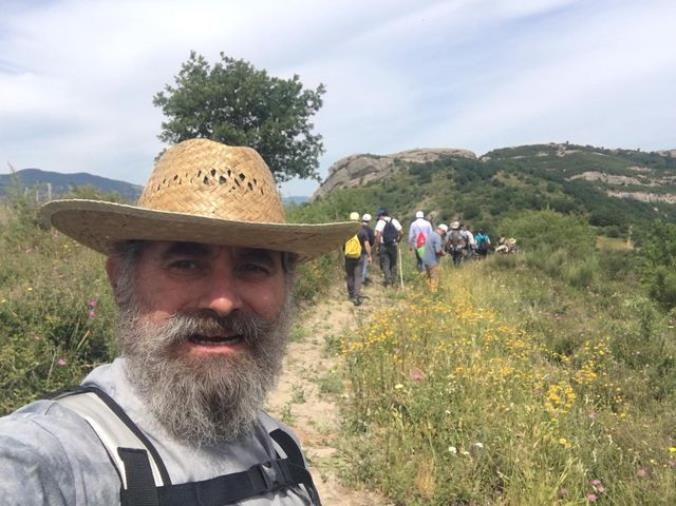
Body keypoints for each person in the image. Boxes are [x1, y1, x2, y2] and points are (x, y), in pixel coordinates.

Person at [0, 139, 357, 505]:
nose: (223, 302)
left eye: (254, 267)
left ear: (286, 287)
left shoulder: (282, 444)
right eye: (186, 264)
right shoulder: (48, 458)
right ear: (121, 279)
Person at [344, 212, 371, 305]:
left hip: (348, 256)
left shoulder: (346, 231)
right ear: (358, 220)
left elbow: (341, 244)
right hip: (359, 257)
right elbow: (367, 244)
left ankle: (351, 295)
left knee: (350, 276)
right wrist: (369, 255)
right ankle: (356, 296)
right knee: (358, 276)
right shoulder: (362, 231)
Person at [374, 209, 402, 287]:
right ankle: (394, 282)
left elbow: (378, 235)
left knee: (385, 264)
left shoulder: (380, 222)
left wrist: (378, 245)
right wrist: (397, 241)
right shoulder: (395, 221)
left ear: (381, 215)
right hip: (393, 245)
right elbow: (401, 232)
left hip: (384, 246)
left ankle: (388, 282)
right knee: (393, 263)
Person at [422, 223, 447, 292]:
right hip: (433, 261)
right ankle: (433, 294)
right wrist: (443, 253)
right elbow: (438, 250)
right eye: (444, 233)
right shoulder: (437, 237)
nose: (443, 234)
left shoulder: (430, 234)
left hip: (425, 260)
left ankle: (427, 292)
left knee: (428, 277)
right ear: (442, 231)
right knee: (434, 278)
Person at [359, 213, 375, 285]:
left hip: (355, 250)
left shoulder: (357, 228)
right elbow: (371, 242)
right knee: (364, 266)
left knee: (357, 266)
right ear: (369, 221)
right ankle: (362, 281)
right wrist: (369, 254)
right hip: (364, 250)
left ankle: (359, 279)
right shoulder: (370, 230)